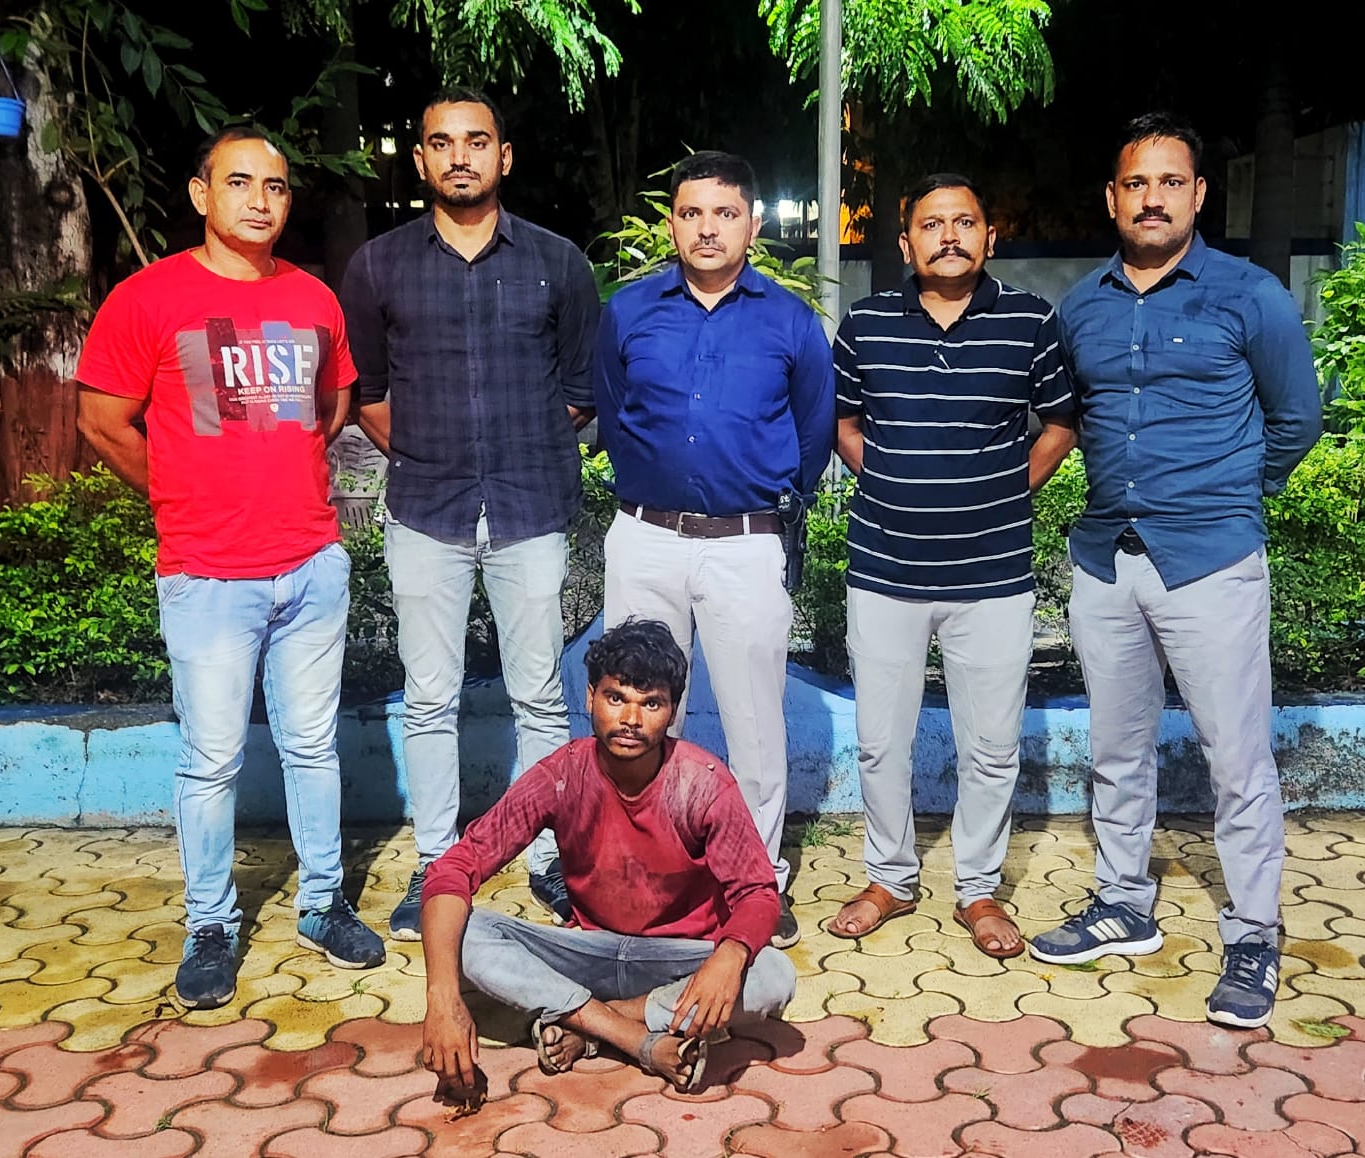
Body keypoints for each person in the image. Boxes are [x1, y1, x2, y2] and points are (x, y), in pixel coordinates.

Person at [75, 126, 385, 1010]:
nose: (259, 200)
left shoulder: (313, 298)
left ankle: (323, 905)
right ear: (201, 194)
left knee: (313, 746)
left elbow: (331, 408)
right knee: (211, 760)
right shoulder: (148, 298)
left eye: (276, 187)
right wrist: (181, 494)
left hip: (310, 565)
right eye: (240, 182)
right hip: (207, 575)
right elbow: (102, 422)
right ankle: (210, 924)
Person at [1029, 113, 1323, 1030]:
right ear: (1112, 197)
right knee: (1117, 749)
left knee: (1237, 759)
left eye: (1169, 182)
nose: (1151, 198)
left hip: (1211, 563)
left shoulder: (1250, 295)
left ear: (1198, 193)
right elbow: (1068, 419)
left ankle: (1254, 935)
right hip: (1106, 560)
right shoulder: (1082, 307)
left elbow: (1298, 419)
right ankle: (1124, 903)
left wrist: (1229, 497)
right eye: (1135, 183)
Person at [339, 88, 601, 939]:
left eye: (477, 141)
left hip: (530, 506)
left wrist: (513, 446)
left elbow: (578, 391)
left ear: (503, 156)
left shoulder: (558, 263)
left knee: (539, 696)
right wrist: (432, 453)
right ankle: (436, 863)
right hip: (426, 509)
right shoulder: (377, 266)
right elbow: (369, 396)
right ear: (420, 159)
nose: (460, 156)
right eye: (442, 142)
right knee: (428, 698)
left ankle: (549, 858)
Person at [826, 174, 1078, 957]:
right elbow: (842, 420)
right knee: (881, 741)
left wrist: (1006, 489)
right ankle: (889, 879)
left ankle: (978, 889)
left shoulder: (1030, 320)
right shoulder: (866, 323)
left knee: (992, 746)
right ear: (906, 242)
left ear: (988, 236)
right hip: (885, 569)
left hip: (992, 575)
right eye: (931, 225)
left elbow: (1060, 423)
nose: (948, 236)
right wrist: (888, 482)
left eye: (964, 222)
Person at [593, 151, 835, 950]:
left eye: (724, 214)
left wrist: (756, 495)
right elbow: (614, 413)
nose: (707, 228)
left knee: (753, 722)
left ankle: (755, 883)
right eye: (691, 213)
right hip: (645, 539)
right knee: (636, 715)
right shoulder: (629, 312)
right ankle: (646, 876)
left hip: (745, 546)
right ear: (672, 223)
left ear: (752, 225)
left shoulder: (790, 322)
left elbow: (811, 437)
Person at [419, 619, 797, 1094]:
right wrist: (442, 998)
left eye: (651, 703)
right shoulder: (561, 775)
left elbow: (758, 894)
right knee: (466, 933)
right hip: (589, 952)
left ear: (672, 711)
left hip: (680, 960)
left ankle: (590, 1025)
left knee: (772, 974)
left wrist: (729, 956)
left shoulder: (703, 784)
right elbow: (454, 868)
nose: (631, 719)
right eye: (616, 698)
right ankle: (633, 1037)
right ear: (590, 698)